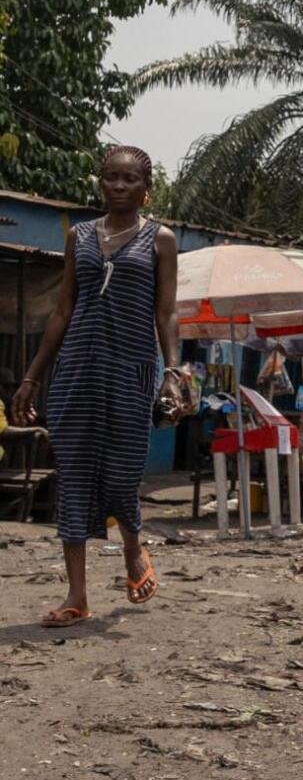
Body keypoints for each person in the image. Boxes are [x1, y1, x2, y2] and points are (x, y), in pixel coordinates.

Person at [12, 145, 183, 627]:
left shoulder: (160, 240)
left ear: (146, 188)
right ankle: (77, 596)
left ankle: (132, 545)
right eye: (111, 177)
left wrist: (172, 371)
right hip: (76, 371)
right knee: (75, 475)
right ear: (100, 183)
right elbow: (63, 309)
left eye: (130, 179)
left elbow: (166, 314)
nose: (119, 186)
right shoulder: (80, 236)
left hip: (130, 371)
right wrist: (31, 375)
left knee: (123, 471)